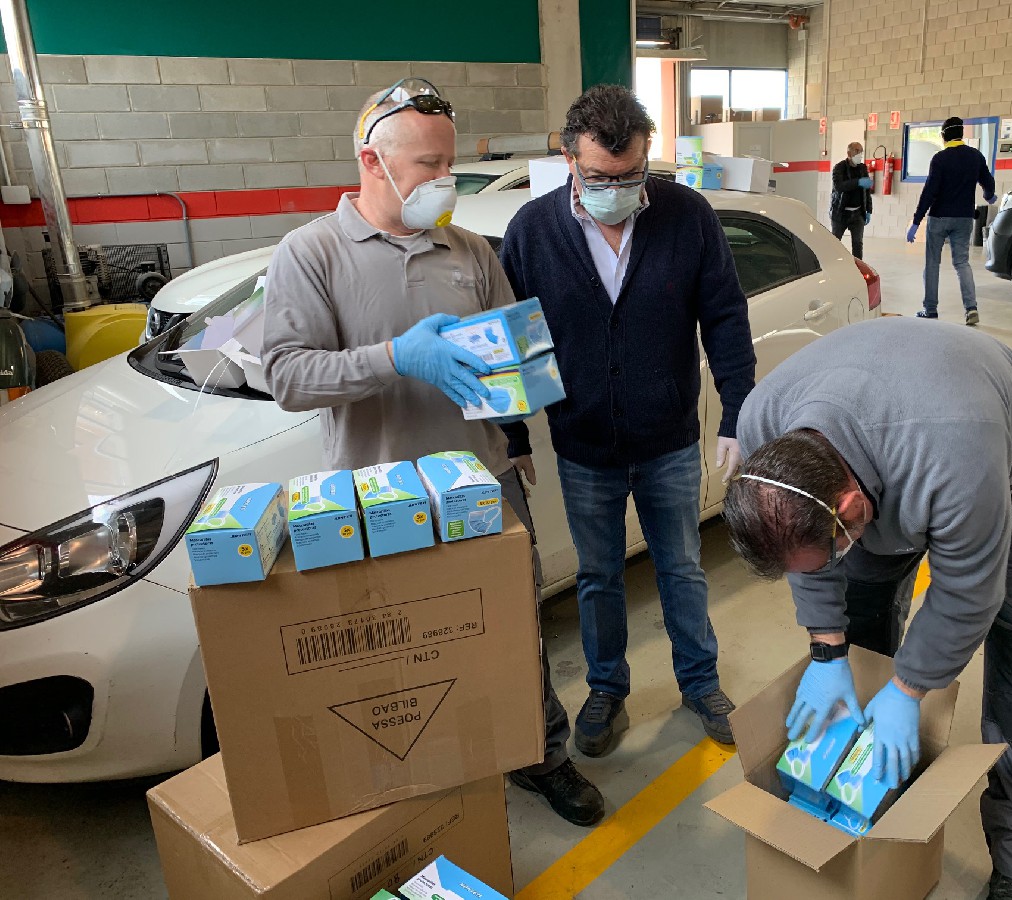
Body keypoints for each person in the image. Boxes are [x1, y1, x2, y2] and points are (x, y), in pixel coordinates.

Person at [259, 79, 604, 828]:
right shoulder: (311, 253)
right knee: (401, 646)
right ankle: (421, 773)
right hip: (379, 494)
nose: (445, 179)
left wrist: (523, 391)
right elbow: (287, 377)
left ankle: (540, 754)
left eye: (449, 163)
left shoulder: (470, 250)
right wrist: (394, 358)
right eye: (428, 165)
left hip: (483, 483)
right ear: (371, 162)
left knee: (512, 627)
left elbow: (513, 360)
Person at [723, 317, 1012, 900]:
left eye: (836, 544)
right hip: (895, 441)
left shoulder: (958, 454)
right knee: (862, 629)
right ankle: (868, 790)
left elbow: (969, 592)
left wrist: (909, 690)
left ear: (851, 508)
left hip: (1011, 462)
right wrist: (827, 651)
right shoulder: (765, 422)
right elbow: (806, 559)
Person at [500, 84, 756, 761]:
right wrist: (513, 434)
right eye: (600, 177)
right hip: (584, 444)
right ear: (569, 160)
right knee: (598, 576)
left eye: (631, 175)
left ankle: (700, 683)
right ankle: (606, 689)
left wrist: (737, 412)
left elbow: (725, 317)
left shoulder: (686, 216)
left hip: (668, 439)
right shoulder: (532, 231)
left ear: (647, 157)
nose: (617, 190)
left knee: (681, 567)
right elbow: (510, 341)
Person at [906, 116, 997, 326]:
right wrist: (989, 195)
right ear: (961, 134)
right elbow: (988, 182)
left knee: (932, 263)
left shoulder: (940, 159)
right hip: (964, 218)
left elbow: (929, 192)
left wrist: (916, 221)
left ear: (944, 135)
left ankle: (930, 310)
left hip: (939, 217)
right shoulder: (975, 156)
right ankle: (971, 308)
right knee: (962, 263)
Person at [830, 142, 873, 260]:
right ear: (849, 153)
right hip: (840, 213)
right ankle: (832, 264)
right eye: (857, 151)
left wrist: (869, 210)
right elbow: (839, 186)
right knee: (835, 242)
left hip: (858, 213)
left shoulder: (862, 168)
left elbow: (867, 192)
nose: (860, 154)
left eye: (861, 151)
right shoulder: (839, 168)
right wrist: (858, 182)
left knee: (858, 244)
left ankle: (858, 268)